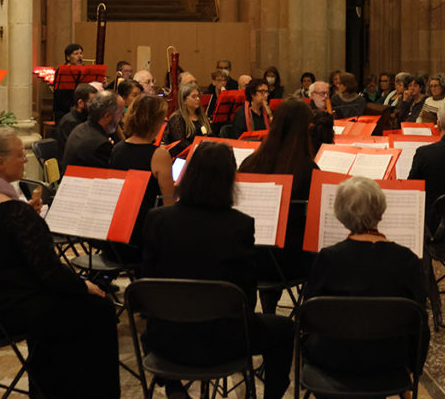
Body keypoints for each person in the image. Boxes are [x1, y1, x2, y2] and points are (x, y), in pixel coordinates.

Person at [0, 128, 120, 398]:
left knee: (60, 309)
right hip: (5, 312)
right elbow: (50, 273)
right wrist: (84, 285)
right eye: (19, 154)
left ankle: (46, 388)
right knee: (100, 308)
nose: (25, 159)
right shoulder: (13, 212)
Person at [140, 142, 293, 399]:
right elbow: (245, 296)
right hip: (225, 344)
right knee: (284, 329)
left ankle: (174, 386)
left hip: (167, 341)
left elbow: (146, 282)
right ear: (229, 181)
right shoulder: (240, 225)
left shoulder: (158, 219)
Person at [302, 176, 429, 376]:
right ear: (381, 210)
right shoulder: (407, 260)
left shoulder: (329, 258)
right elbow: (420, 319)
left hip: (333, 358)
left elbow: (308, 315)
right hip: (391, 360)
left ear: (340, 213)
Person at [238, 99, 318, 314]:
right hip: (286, 262)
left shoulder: (250, 163)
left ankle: (263, 314)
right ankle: (310, 321)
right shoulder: (306, 168)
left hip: (247, 258)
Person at [109, 94, 175, 246]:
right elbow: (169, 204)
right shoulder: (159, 155)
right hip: (145, 237)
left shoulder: (117, 148)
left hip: (117, 234)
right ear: (155, 122)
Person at [63, 90, 125, 168]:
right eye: (120, 114)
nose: (122, 119)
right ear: (107, 116)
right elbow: (110, 174)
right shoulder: (100, 145)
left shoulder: (81, 128)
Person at [52, 83, 96, 161]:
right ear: (80, 103)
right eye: (91, 102)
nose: (94, 106)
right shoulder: (69, 122)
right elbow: (77, 151)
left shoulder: (84, 118)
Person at [164, 81, 213, 152]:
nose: (198, 99)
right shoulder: (177, 118)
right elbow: (180, 143)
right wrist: (198, 149)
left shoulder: (202, 117)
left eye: (198, 96)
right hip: (185, 156)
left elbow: (210, 135)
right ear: (184, 100)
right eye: (194, 96)